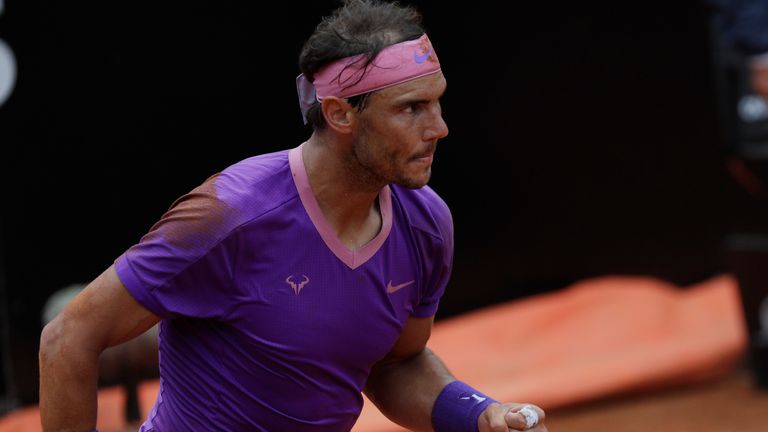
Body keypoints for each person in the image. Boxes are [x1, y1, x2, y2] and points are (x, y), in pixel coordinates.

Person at [38, 0, 548, 431]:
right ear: (340, 114)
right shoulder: (231, 213)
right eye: (411, 108)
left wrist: (479, 415)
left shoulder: (426, 223)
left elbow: (395, 363)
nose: (439, 127)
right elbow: (68, 337)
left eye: (437, 103)